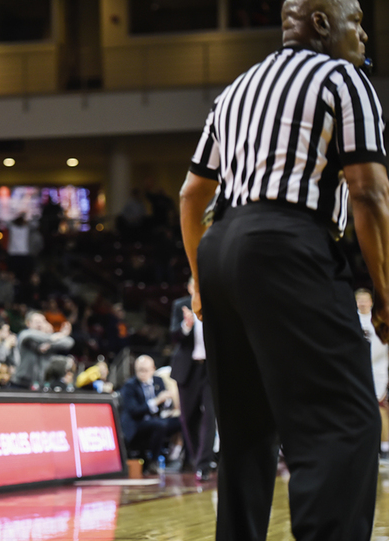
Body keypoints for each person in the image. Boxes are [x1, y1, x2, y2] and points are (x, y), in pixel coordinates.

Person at [179, 1, 386, 538]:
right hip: (287, 242)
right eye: (356, 20)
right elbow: (368, 192)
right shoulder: (343, 78)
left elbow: (191, 194)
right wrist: (385, 294)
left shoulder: (236, 90)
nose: (364, 33)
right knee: (345, 426)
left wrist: (201, 283)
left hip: (222, 249)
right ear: (321, 23)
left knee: (246, 435)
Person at [169, 277, 215, 482]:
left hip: (211, 369)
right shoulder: (180, 305)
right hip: (188, 370)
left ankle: (204, 464)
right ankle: (199, 460)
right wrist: (186, 326)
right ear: (188, 287)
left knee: (210, 415)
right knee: (188, 418)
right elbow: (173, 336)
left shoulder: (214, 304)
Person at [119, 355, 180, 474]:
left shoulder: (158, 380)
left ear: (153, 369)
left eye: (145, 370)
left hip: (156, 420)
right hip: (137, 425)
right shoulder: (129, 386)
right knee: (159, 425)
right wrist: (157, 401)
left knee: (182, 422)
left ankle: (186, 461)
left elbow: (164, 405)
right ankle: (153, 462)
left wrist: (167, 400)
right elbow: (135, 411)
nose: (142, 373)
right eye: (139, 370)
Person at [355, 288, 389, 458]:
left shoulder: (379, 318)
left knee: (380, 408)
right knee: (355, 409)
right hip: (355, 370)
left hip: (378, 370)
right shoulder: (351, 319)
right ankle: (361, 446)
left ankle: (384, 448)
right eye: (358, 299)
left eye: (364, 299)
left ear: (371, 302)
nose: (362, 302)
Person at [12, 311, 74, 389]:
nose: (40, 324)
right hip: (21, 383)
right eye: (37, 322)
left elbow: (69, 342)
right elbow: (35, 336)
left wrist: (49, 344)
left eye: (43, 321)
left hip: (41, 384)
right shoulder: (24, 334)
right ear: (28, 323)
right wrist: (60, 335)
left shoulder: (48, 341)